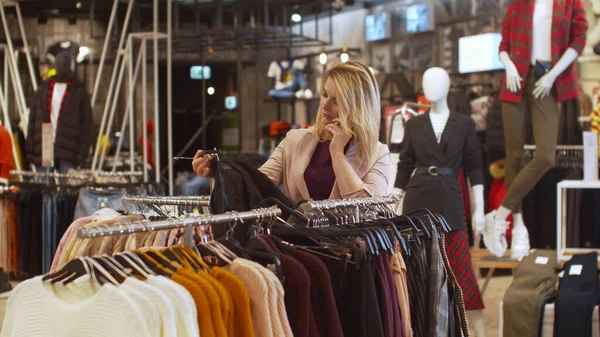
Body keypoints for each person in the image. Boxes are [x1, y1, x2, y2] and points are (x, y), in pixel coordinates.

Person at [193, 61, 391, 204]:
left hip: (350, 251)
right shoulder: (295, 140)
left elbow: (369, 208)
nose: (325, 106)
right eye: (324, 95)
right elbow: (258, 183)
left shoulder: (377, 153)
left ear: (358, 107)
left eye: (337, 101)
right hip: (296, 245)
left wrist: (338, 154)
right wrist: (217, 173)